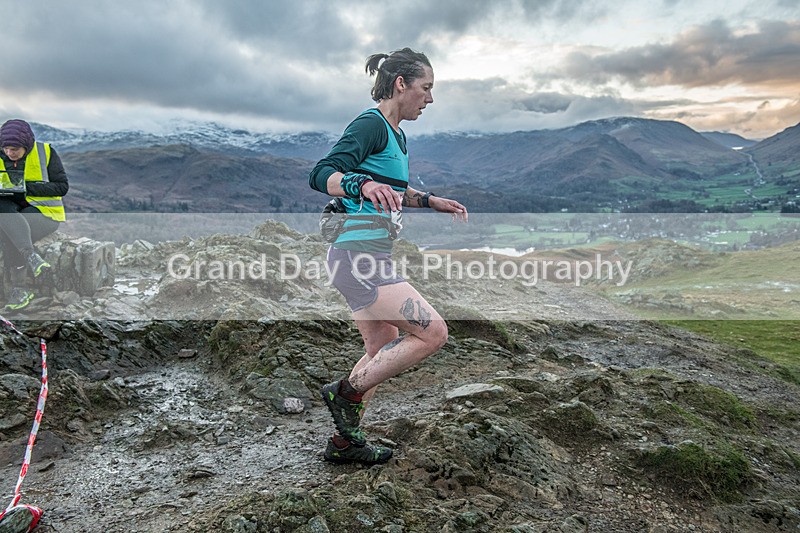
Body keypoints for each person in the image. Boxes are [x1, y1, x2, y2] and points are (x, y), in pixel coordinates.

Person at [309, 48, 468, 465]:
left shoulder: (396, 135)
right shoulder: (371, 124)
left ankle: (345, 443)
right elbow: (322, 173)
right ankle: (345, 392)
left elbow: (391, 192)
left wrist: (431, 200)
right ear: (402, 84)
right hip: (357, 258)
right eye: (426, 88)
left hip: (369, 256)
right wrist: (359, 184)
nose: (430, 99)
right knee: (433, 333)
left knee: (383, 343)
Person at [0, 119, 68, 310]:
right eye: (6, 149)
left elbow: (62, 186)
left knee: (8, 231)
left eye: (15, 149)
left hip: (44, 213)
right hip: (9, 211)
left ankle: (20, 289)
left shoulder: (45, 152)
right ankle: (31, 257)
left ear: (26, 146)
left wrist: (25, 188)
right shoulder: (1, 152)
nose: (10, 153)